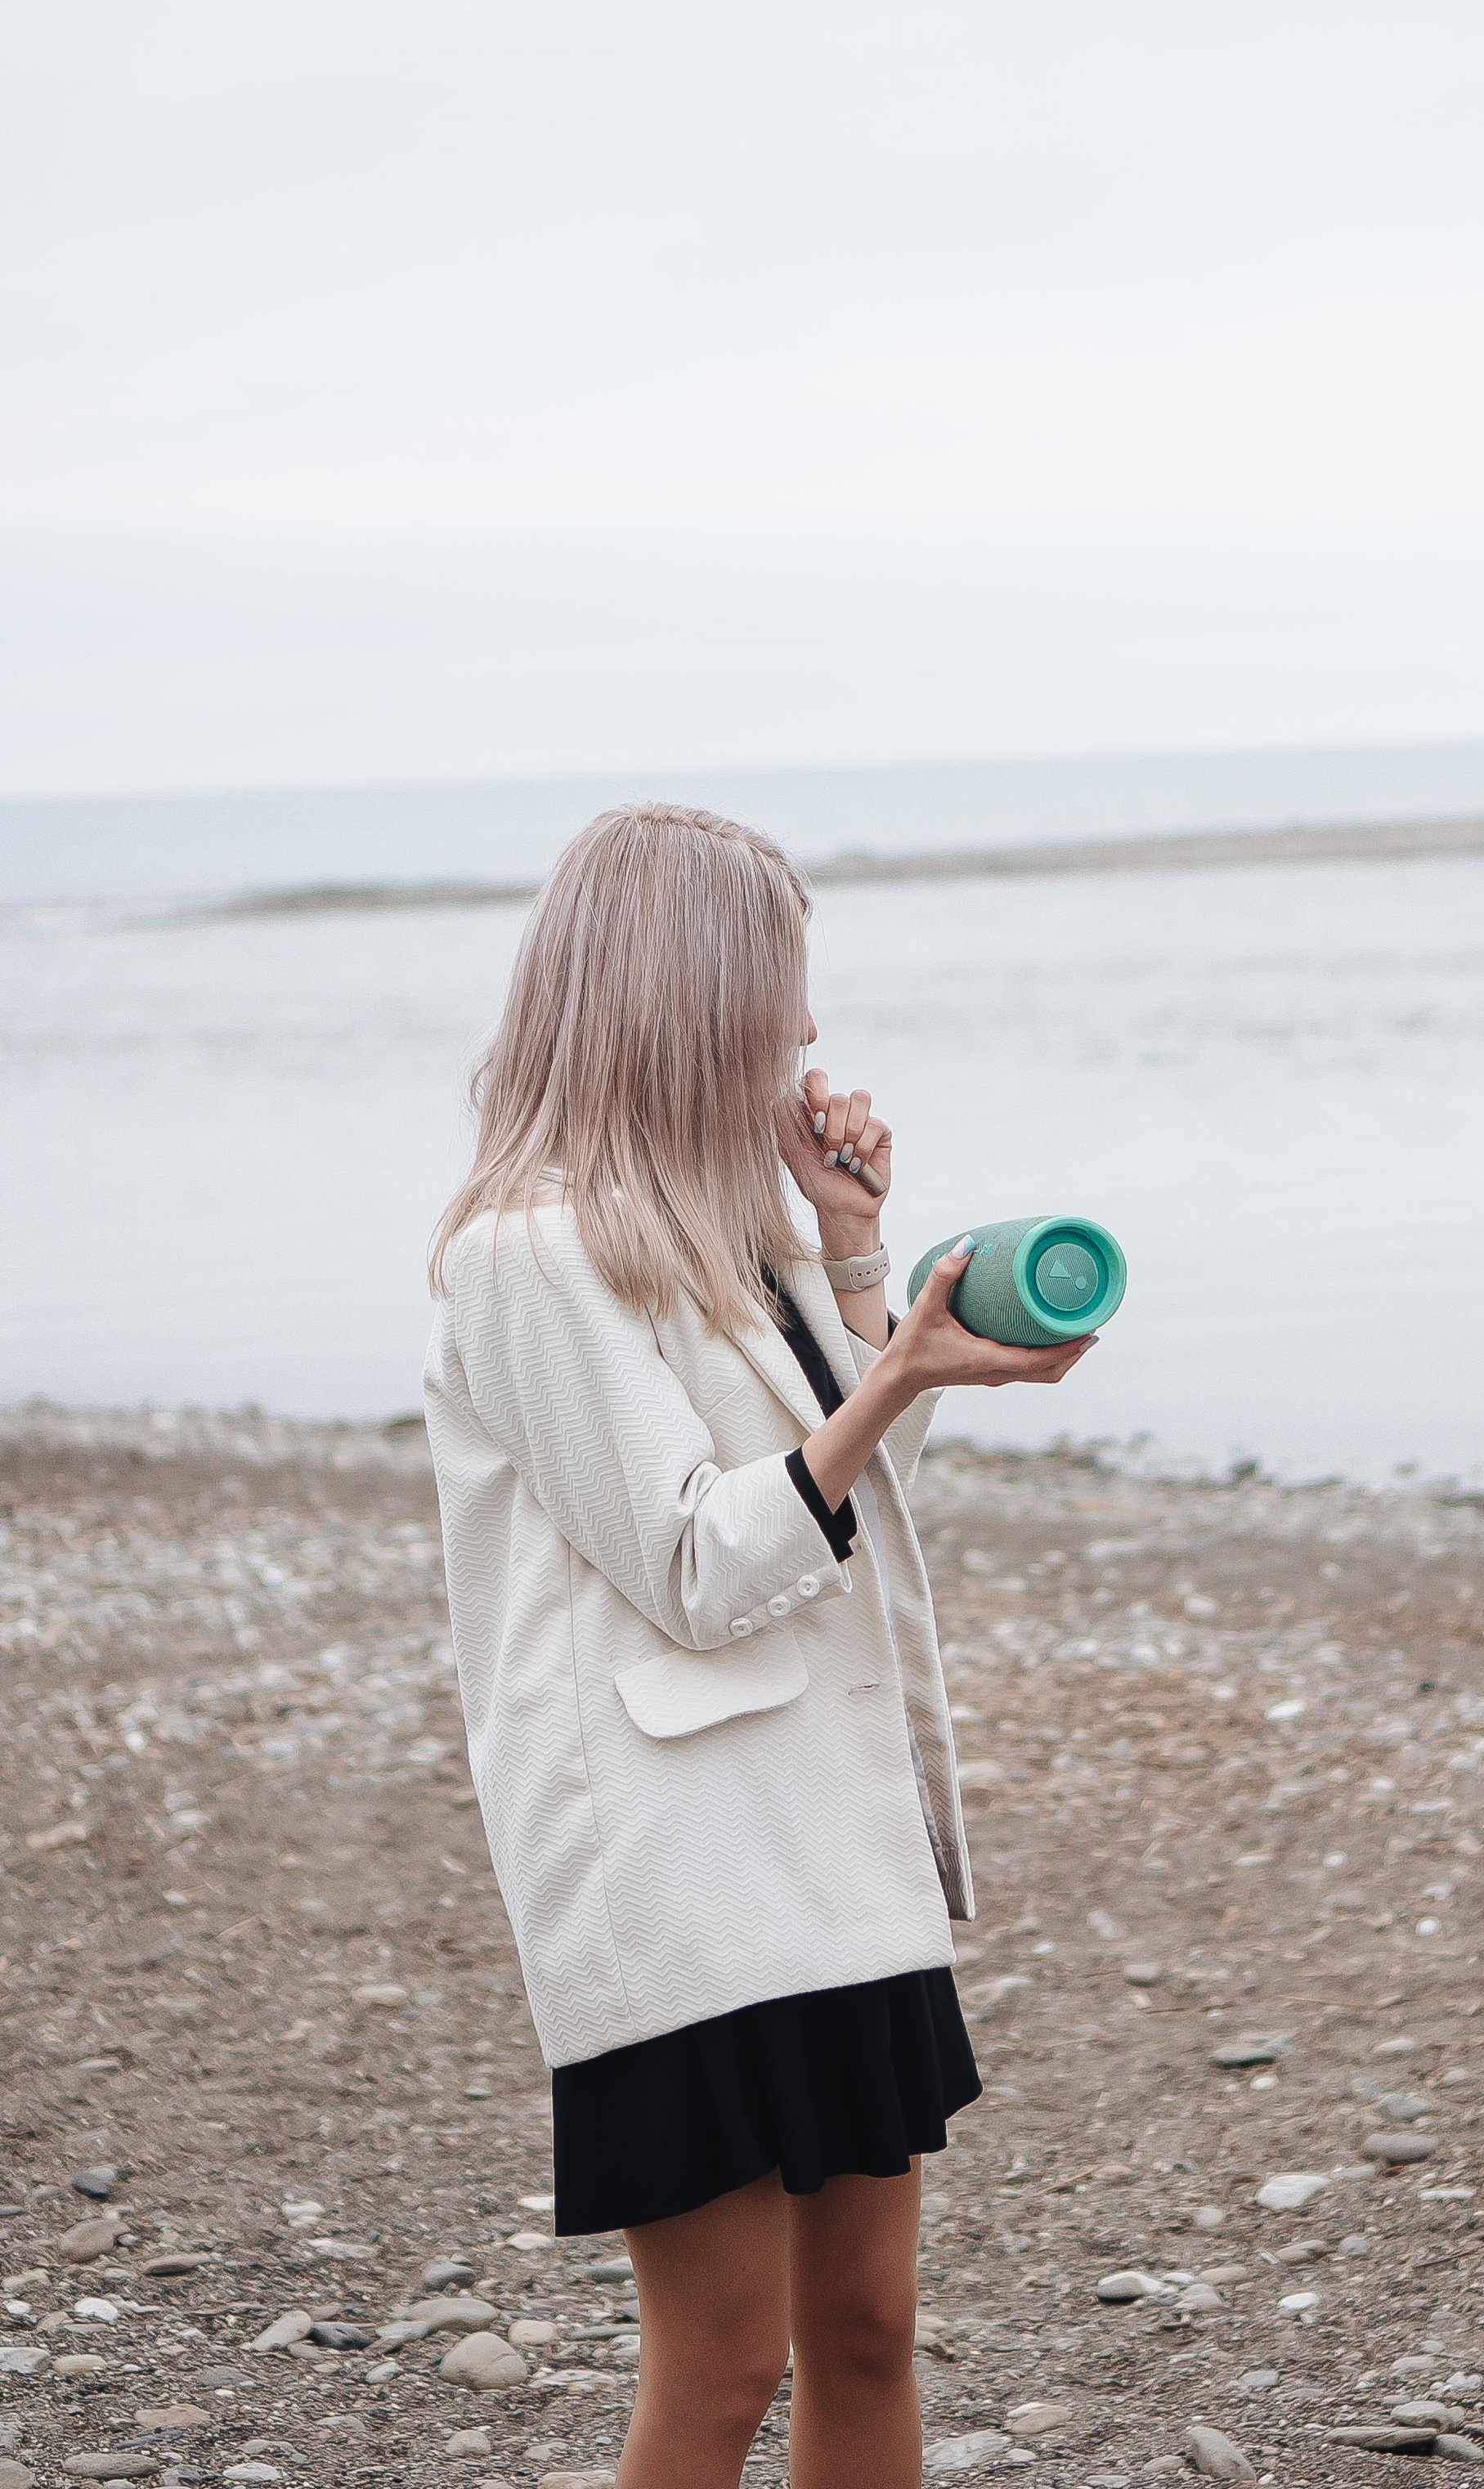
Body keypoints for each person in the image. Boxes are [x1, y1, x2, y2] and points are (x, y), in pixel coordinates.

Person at [423, 803, 1095, 2488]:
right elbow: (697, 1570)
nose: (805, 1024)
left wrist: (858, 1260)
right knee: (723, 2366)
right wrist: (892, 1369)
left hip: (831, 1842)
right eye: (780, 983)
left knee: (868, 2330)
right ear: (691, 997)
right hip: (676, 1872)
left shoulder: (741, 1232)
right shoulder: (522, 1258)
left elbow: (856, 1500)